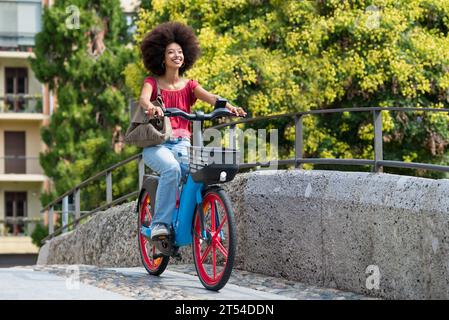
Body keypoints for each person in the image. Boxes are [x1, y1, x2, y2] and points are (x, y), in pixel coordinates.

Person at [139, 21, 247, 240]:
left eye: (180, 52)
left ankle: (202, 224)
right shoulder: (153, 82)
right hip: (157, 145)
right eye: (171, 52)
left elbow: (212, 98)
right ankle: (160, 223)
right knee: (171, 170)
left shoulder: (189, 85)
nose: (177, 55)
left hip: (182, 144)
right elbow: (143, 98)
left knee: (204, 174)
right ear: (162, 57)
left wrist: (230, 108)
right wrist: (152, 108)